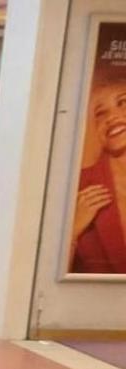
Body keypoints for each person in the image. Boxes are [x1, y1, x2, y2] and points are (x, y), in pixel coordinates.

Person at [71, 80, 126, 273]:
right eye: (101, 113)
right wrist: (71, 232)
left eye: (123, 103)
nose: (112, 117)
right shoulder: (78, 187)